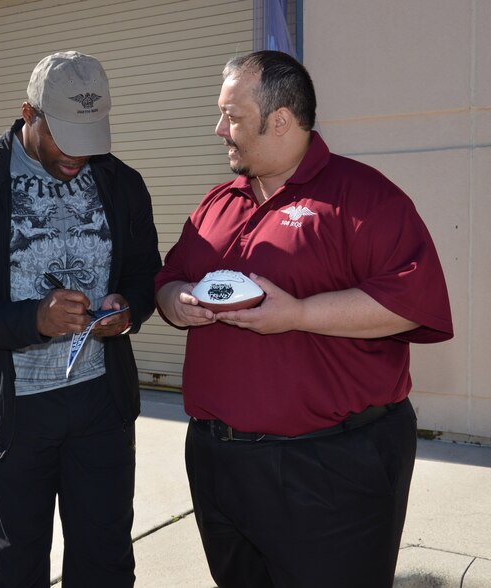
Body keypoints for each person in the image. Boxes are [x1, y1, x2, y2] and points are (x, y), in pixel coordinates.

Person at [155, 50, 453, 587]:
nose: (219, 128)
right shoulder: (216, 204)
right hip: (219, 461)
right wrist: (176, 300)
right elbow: (171, 277)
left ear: (281, 121)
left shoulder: (363, 199)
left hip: (329, 466)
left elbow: (411, 301)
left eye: (233, 116)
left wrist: (298, 314)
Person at [0, 51, 161, 588]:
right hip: (14, 413)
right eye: (65, 136)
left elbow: (147, 272)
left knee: (106, 561)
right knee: (16, 569)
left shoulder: (120, 183)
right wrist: (33, 321)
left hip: (101, 403)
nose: (79, 154)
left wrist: (130, 309)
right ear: (29, 114)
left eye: (91, 135)